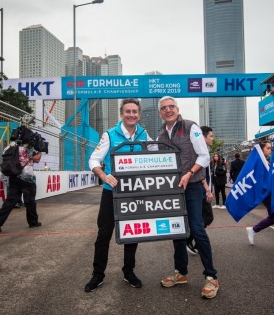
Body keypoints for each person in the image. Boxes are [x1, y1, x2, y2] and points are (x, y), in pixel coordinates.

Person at [85, 98, 154, 292]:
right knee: (103, 235)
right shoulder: (109, 135)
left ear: (139, 115)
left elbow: (156, 157)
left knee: (132, 232)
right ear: (121, 114)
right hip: (111, 193)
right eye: (127, 111)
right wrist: (104, 176)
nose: (131, 115)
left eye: (134, 112)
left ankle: (128, 271)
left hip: (134, 193)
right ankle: (97, 274)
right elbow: (93, 160)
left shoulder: (144, 134)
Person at [157, 96, 219, 299]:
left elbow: (204, 156)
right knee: (177, 231)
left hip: (192, 186)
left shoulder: (191, 126)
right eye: (164, 108)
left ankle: (211, 277)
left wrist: (189, 173)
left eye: (171, 107)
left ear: (177, 108)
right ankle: (181, 273)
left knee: (197, 229)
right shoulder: (160, 137)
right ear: (160, 112)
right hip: (173, 190)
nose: (168, 110)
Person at [0, 126, 42, 233]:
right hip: (27, 177)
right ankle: (33, 222)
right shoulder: (28, 148)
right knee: (30, 201)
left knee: (10, 200)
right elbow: (37, 159)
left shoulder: (9, 147)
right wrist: (41, 150)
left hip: (13, 176)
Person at [186, 126, 215, 255]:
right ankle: (191, 240)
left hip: (203, 190)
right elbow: (201, 174)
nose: (212, 139)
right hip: (200, 190)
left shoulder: (206, 151)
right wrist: (208, 190)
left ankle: (197, 243)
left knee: (202, 218)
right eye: (211, 136)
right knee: (205, 217)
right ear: (203, 137)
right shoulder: (200, 153)